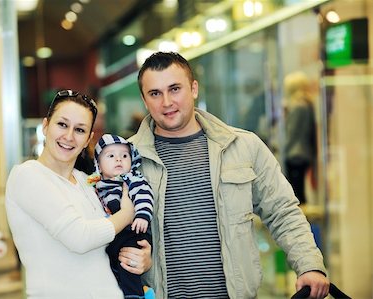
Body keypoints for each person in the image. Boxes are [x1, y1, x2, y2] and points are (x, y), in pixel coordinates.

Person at [127, 52, 329, 299]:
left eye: (175, 89)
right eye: (155, 93)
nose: (167, 102)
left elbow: (282, 211)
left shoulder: (243, 146)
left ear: (194, 89)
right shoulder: (125, 161)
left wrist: (309, 265)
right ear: (144, 100)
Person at [5, 90, 151, 298]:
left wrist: (142, 257)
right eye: (62, 124)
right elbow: (80, 237)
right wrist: (127, 213)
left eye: (80, 130)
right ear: (46, 126)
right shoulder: (27, 175)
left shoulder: (87, 181)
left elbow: (109, 238)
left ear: (88, 139)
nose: (69, 136)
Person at [88, 134, 154, 298]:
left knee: (128, 264)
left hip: (134, 231)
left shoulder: (131, 179)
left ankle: (135, 295)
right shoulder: (96, 184)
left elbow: (144, 194)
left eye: (124, 156)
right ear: (99, 165)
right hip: (113, 235)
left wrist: (142, 215)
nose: (119, 160)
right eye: (111, 156)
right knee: (113, 266)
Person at [283, 71, 317, 205]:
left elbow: (292, 132)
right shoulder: (308, 104)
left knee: (296, 194)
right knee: (300, 192)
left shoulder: (298, 107)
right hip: (304, 153)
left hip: (295, 154)